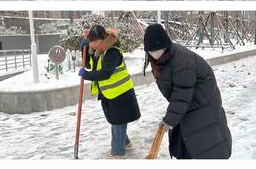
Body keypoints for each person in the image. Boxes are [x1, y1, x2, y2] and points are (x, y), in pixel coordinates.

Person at [143, 24, 232, 159]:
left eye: (158, 49)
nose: (154, 54)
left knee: (205, 147)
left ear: (165, 45)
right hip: (190, 106)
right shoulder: (163, 60)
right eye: (151, 51)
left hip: (202, 106)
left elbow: (181, 93)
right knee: (186, 145)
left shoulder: (182, 60)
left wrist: (169, 120)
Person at [79, 25, 141, 159]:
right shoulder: (98, 51)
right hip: (110, 93)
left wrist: (87, 75)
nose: (94, 44)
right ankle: (126, 143)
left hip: (121, 93)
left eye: (96, 41)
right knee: (116, 120)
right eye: (91, 41)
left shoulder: (112, 51)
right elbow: (90, 65)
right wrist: (84, 49)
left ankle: (118, 152)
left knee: (118, 121)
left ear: (103, 38)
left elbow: (105, 73)